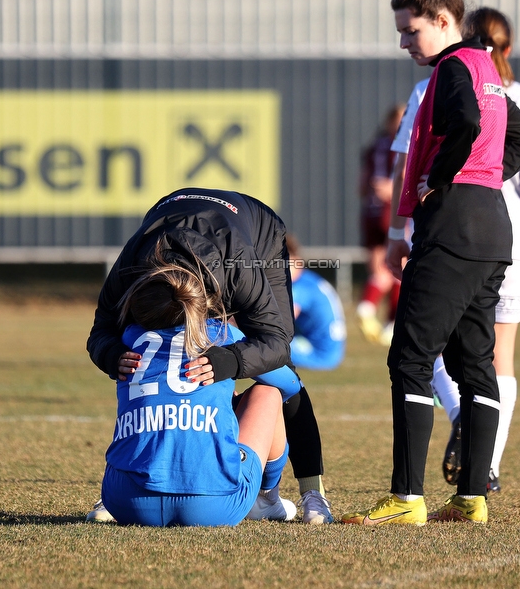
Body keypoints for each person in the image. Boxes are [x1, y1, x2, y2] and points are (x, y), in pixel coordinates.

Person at [342, 0, 520, 526]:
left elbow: (469, 126)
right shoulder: (485, 66)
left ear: (444, 20)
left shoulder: (452, 69)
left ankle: (406, 499)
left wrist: (441, 179)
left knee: (410, 357)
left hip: (452, 228)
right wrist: (480, 175)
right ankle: (471, 498)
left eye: (411, 31)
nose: (403, 42)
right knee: (474, 364)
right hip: (492, 228)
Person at [86, 188, 333, 524]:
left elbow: (276, 346)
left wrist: (231, 361)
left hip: (248, 236)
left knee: (279, 368)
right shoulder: (130, 267)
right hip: (172, 236)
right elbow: (100, 331)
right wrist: (113, 354)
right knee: (269, 387)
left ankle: (308, 491)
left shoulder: (241, 270)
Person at [427, 8, 520, 495]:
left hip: (453, 232)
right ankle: (486, 467)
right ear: (507, 49)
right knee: (498, 357)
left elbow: (412, 163)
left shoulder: (442, 78)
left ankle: (462, 414)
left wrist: (404, 233)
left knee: (435, 347)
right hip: (513, 239)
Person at [98, 257, 301, 526]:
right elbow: (290, 383)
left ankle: (107, 502)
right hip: (212, 507)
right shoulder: (221, 334)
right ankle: (266, 499)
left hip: (124, 503)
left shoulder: (129, 339)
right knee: (268, 393)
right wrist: (233, 372)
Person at [357, 106, 405, 345]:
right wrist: (391, 190)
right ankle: (377, 313)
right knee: (397, 268)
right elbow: (403, 176)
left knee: (379, 268)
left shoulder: (373, 146)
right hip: (392, 210)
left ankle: (382, 318)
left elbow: (362, 186)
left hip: (371, 211)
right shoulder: (401, 144)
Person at [287, 235, 346, 370]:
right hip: (331, 351)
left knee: (266, 344)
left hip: (319, 354)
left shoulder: (299, 288)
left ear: (298, 261)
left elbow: (283, 324)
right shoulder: (309, 280)